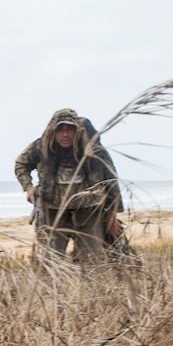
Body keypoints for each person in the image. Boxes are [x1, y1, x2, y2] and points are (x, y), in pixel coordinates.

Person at [14, 108, 124, 264]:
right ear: (53, 130)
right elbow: (21, 164)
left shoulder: (94, 149)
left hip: (89, 212)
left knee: (93, 264)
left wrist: (112, 217)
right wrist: (28, 187)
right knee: (49, 264)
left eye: (69, 129)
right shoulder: (41, 147)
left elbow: (111, 181)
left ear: (77, 130)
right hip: (52, 212)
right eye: (60, 129)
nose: (65, 134)